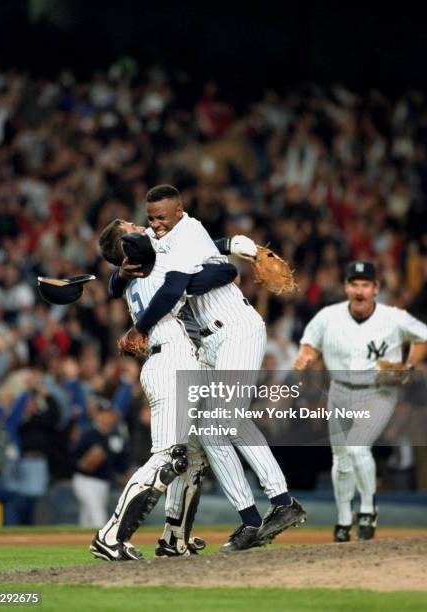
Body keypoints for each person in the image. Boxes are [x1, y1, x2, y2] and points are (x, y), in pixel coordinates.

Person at [119, 184, 306, 552]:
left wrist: (139, 327)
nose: (155, 224)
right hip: (208, 343)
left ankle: (282, 503)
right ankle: (253, 519)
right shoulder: (164, 241)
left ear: (179, 212)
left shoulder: (187, 230)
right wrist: (243, 248)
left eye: (162, 217)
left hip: (236, 328)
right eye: (151, 217)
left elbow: (179, 287)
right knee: (211, 430)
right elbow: (220, 249)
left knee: (222, 421)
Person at [90, 223, 239, 560]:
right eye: (130, 228)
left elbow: (117, 284)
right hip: (171, 360)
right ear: (129, 250)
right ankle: (110, 535)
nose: (139, 226)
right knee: (168, 456)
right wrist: (226, 251)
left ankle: (174, 538)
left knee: (195, 456)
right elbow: (224, 272)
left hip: (179, 360)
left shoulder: (141, 268)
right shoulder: (157, 261)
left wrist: (118, 277)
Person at [294, 260, 427, 542]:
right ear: (346, 287)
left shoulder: (394, 317)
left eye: (365, 284)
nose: (360, 290)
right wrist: (306, 356)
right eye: (354, 284)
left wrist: (410, 364)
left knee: (356, 448)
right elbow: (309, 343)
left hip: (378, 391)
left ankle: (368, 509)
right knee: (341, 459)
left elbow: (423, 337)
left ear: (375, 288)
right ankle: (344, 520)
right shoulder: (328, 316)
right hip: (339, 392)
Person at [71, 397, 129, 527]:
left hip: (103, 482)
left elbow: (122, 462)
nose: (105, 417)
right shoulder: (89, 434)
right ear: (96, 416)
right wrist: (85, 463)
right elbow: (74, 458)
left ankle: (81, 543)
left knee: (87, 518)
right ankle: (101, 544)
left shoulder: (117, 437)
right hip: (85, 481)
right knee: (98, 516)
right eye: (102, 414)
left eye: (108, 414)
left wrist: (124, 475)